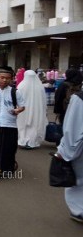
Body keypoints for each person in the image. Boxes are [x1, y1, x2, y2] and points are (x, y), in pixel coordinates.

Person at [56, 91, 83, 223]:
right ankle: (79, 210)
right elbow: (72, 127)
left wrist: (66, 149)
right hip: (80, 149)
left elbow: (71, 127)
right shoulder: (79, 99)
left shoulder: (79, 98)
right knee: (79, 179)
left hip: (78, 149)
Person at [16, 70, 47, 149]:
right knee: (34, 125)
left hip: (23, 110)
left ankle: (23, 140)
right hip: (37, 110)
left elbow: (17, 98)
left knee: (23, 124)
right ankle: (32, 141)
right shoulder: (40, 86)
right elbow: (44, 100)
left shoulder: (21, 85)